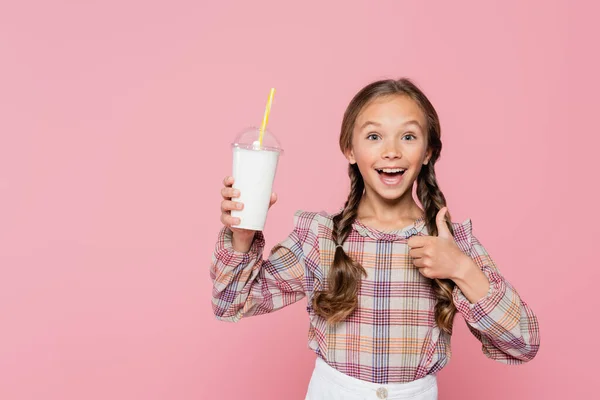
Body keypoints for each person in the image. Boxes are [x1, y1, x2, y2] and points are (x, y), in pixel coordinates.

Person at [210, 78, 540, 400]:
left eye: (408, 136)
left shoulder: (449, 243)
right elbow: (229, 305)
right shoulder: (320, 237)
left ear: (428, 152)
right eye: (374, 136)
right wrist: (242, 235)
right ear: (349, 149)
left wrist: (461, 270)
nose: (392, 151)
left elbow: (523, 343)